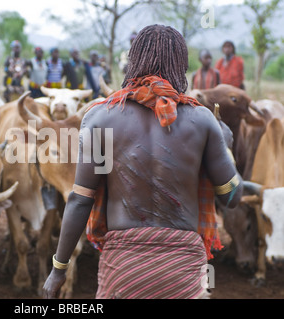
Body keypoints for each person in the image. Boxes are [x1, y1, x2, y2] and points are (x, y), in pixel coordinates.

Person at [42, 24, 243, 299]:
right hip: (183, 268)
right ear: (181, 65)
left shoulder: (101, 118)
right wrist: (226, 145)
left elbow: (80, 200)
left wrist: (59, 269)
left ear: (133, 61)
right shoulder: (202, 120)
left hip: (124, 267)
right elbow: (231, 196)